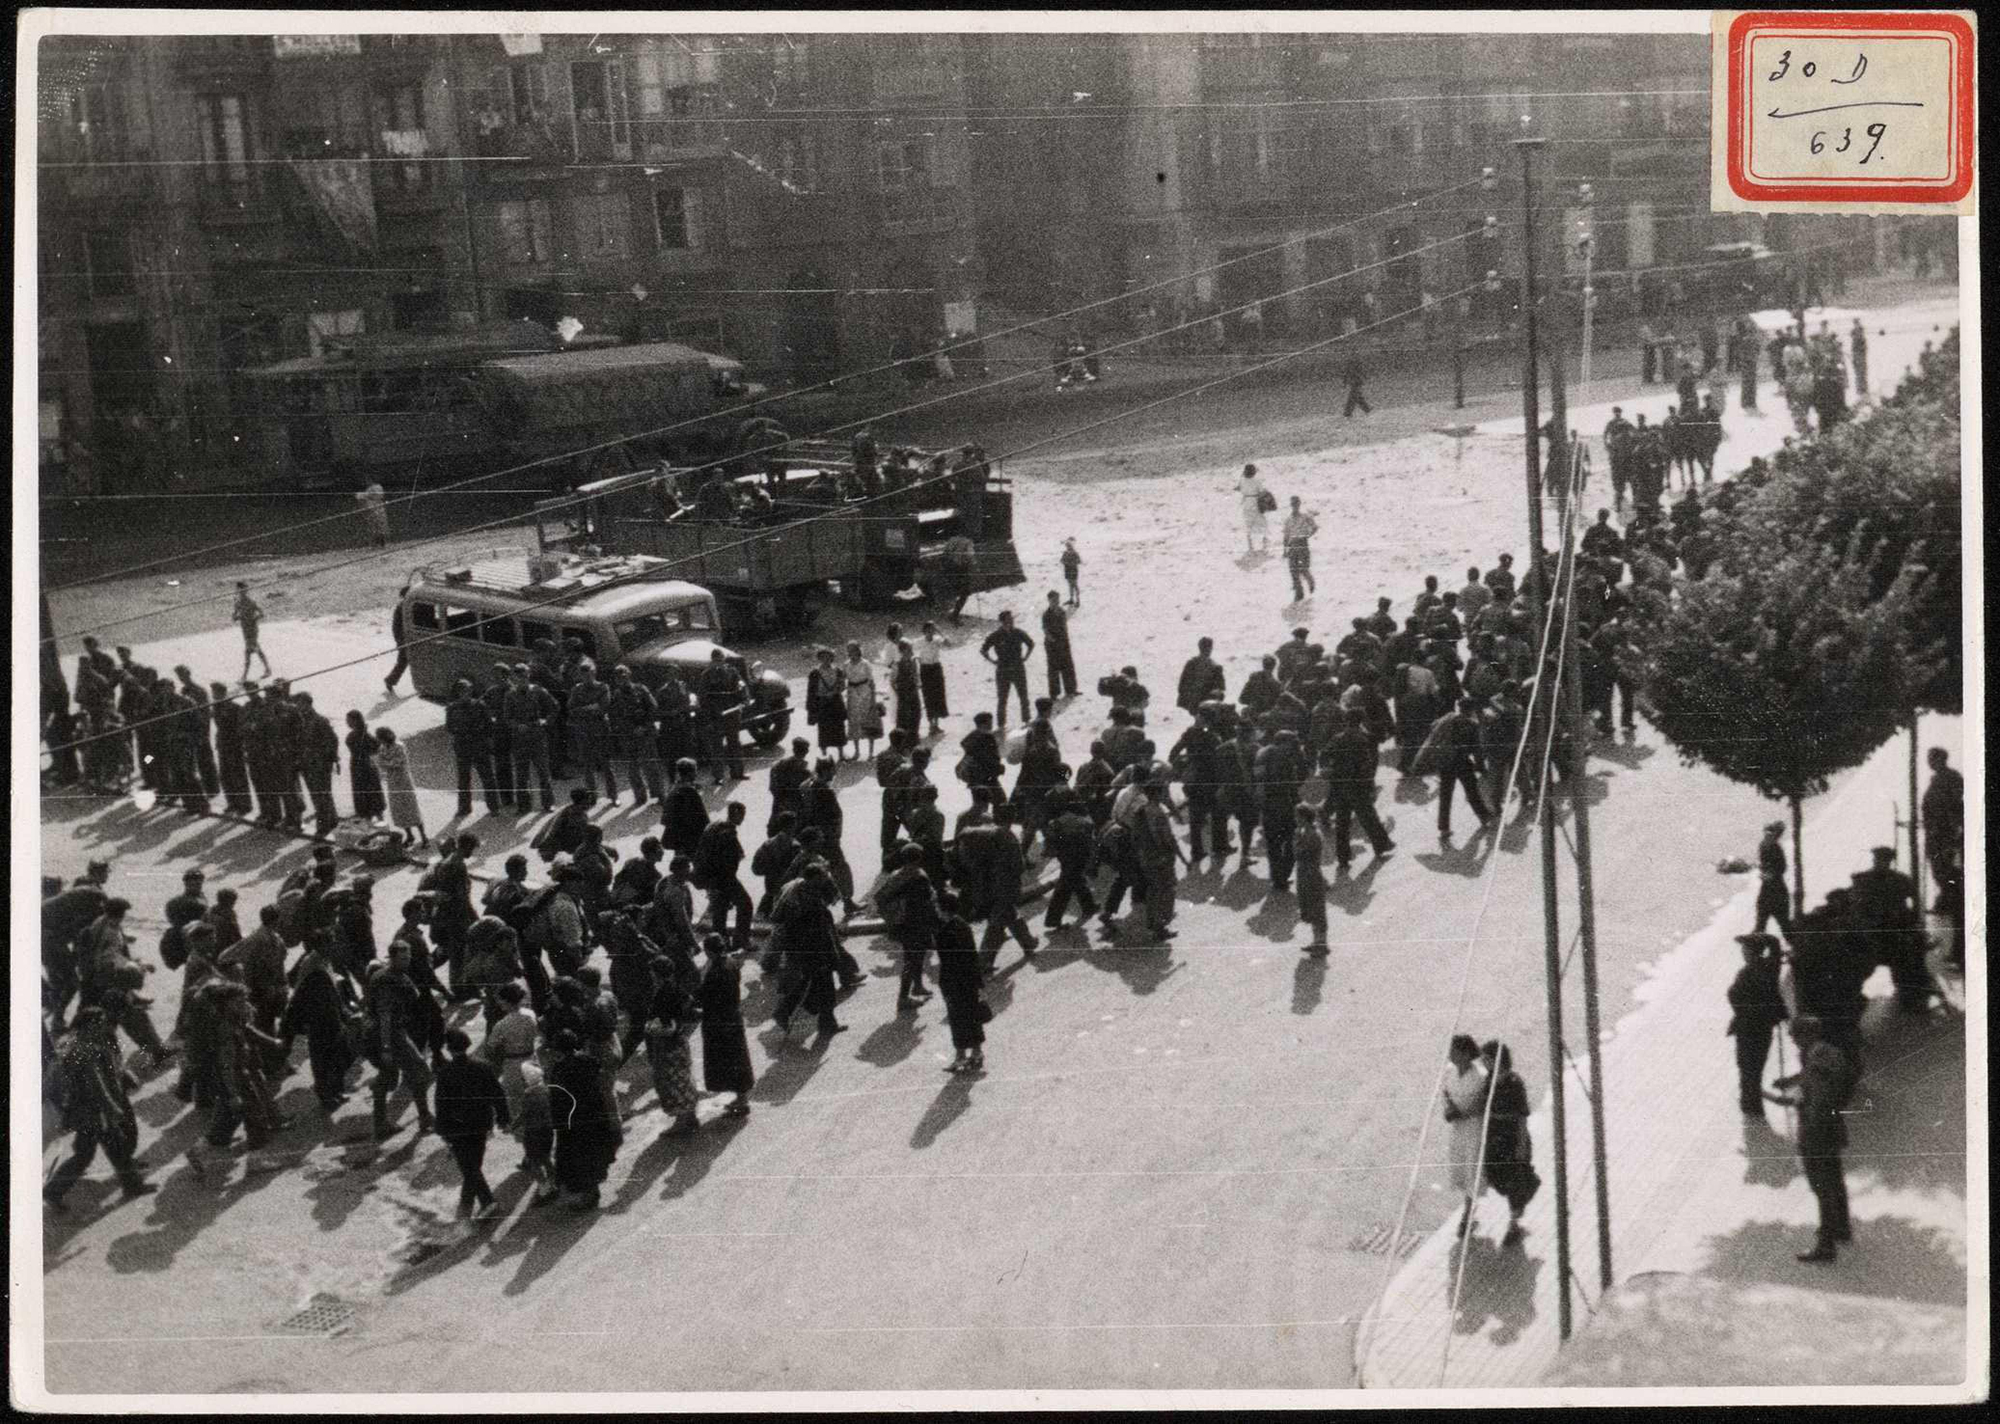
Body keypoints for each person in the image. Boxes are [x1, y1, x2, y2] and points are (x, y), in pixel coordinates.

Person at [43, 1005, 156, 1212]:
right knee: (89, 1153)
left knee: (111, 1148)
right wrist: (113, 1109)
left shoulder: (74, 1043)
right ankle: (53, 1191)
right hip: (95, 1113)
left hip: (84, 1111)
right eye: (100, 1023)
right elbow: (98, 1086)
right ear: (90, 1025)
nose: (104, 1026)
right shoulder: (87, 1051)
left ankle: (133, 1185)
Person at [1764, 1015, 1858, 1262]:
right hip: (1832, 1127)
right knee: (1835, 1181)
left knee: (1821, 1187)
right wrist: (1792, 1081)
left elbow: (1810, 1094)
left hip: (1816, 1131)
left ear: (1805, 1035)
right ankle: (1841, 1227)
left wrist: (1771, 1095)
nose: (1793, 1041)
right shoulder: (1825, 1053)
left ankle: (1826, 1246)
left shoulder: (1813, 1059)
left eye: (1795, 1036)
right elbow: (1812, 1079)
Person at [434, 1027, 510, 1221]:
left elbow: (441, 1105)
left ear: (449, 1049)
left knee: (469, 1166)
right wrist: (503, 1118)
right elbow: (498, 1094)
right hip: (482, 1123)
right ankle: (467, 1198)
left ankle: (487, 1202)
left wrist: (443, 1131)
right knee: (474, 1162)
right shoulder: (483, 1066)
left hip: (457, 1127)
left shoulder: (445, 1073)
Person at [547, 1029, 621, 1212]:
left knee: (578, 1158)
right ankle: (591, 1191)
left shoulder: (560, 1070)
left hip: (573, 1121)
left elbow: (557, 1099)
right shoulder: (589, 1061)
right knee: (593, 1155)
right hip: (594, 1115)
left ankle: (587, 1196)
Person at [1478, 1041, 1540, 1242]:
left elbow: (1522, 1116)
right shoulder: (1488, 1079)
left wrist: (1521, 1145)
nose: (1484, 1062)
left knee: (1514, 1180)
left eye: (1487, 1059)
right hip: (1494, 1137)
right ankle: (1525, 1194)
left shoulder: (1514, 1083)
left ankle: (1513, 1225)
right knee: (1495, 1176)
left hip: (1512, 1137)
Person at [1728, 932, 1788, 1118]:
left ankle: (1751, 1107)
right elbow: (1776, 944)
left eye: (1745, 949)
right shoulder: (1770, 967)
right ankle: (1751, 1103)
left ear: (1752, 952)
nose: (1743, 952)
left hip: (1748, 1027)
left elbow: (1735, 997)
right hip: (1763, 1026)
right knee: (1754, 1066)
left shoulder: (1748, 973)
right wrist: (1762, 938)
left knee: (1747, 1067)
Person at [697, 935, 755, 1117]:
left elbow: (705, 995)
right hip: (732, 1017)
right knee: (737, 1058)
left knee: (728, 1060)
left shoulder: (714, 971)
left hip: (718, 1020)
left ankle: (742, 1101)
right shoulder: (730, 962)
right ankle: (741, 1097)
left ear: (709, 951)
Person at [1441, 1033, 1492, 1235]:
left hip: (1473, 1129)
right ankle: (1468, 1206)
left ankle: (1468, 1214)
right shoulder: (1450, 1073)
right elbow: (1445, 1096)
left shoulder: (1478, 1076)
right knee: (1461, 1167)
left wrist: (1461, 1112)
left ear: (1463, 1054)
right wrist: (1448, 1111)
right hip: (1457, 1129)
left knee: (1472, 1168)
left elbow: (1481, 1105)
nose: (1450, 1055)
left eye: (1454, 1051)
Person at [934, 892, 988, 1074]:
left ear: (943, 909)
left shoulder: (946, 930)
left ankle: (961, 1056)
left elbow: (951, 960)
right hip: (967, 980)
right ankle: (976, 1052)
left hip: (955, 982)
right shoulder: (961, 926)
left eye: (937, 906)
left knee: (958, 1020)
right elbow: (972, 956)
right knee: (971, 1017)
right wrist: (978, 983)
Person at [372, 726, 428, 850]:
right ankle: (409, 835)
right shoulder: (382, 748)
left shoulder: (399, 746)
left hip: (403, 781)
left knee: (411, 808)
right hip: (392, 782)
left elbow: (397, 763)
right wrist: (385, 764)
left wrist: (385, 764)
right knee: (399, 809)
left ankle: (424, 837)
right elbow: (382, 764)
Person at [981, 611, 1036, 729]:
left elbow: (1031, 644)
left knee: (1023, 695)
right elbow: (983, 650)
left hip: (1017, 667)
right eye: (1008, 619)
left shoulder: (1018, 632)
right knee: (1002, 698)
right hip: (1003, 669)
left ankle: (1026, 719)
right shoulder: (996, 635)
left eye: (1011, 619)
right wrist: (992, 661)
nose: (1011, 621)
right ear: (1002, 621)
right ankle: (1001, 724)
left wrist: (1026, 657)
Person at [841, 642, 883, 761]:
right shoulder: (846, 664)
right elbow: (842, 679)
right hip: (852, 694)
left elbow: (872, 682)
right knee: (854, 722)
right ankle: (857, 751)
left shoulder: (865, 664)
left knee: (869, 721)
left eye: (853, 650)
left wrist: (873, 699)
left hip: (865, 693)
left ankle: (870, 753)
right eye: (848, 651)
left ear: (858, 651)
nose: (850, 653)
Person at [1753, 819, 1791, 936]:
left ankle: (1756, 945)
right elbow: (1782, 867)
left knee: (1763, 922)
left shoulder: (1768, 845)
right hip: (1776, 888)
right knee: (1783, 923)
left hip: (1771, 888)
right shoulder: (1772, 845)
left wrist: (1766, 871)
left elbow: (1780, 867)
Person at [1040, 594, 1079, 700]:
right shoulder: (1046, 615)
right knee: (1053, 669)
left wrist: (1065, 640)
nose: (1056, 602)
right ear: (1049, 600)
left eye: (1057, 599)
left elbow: (1064, 626)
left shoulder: (1061, 611)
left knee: (1068, 666)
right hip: (1052, 645)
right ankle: (1054, 693)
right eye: (1053, 600)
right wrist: (1054, 641)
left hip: (1064, 642)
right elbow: (1045, 630)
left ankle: (1071, 689)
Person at [233, 582, 272, 680]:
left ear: (247, 590)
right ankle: (267, 669)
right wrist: (238, 617)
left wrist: (254, 619)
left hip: (252, 629)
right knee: (257, 649)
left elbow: (261, 613)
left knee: (248, 651)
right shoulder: (237, 603)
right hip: (245, 629)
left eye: (244, 590)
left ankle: (244, 675)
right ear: (237, 591)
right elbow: (234, 617)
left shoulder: (251, 602)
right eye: (240, 591)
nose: (242, 593)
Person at [1281, 496, 1318, 603]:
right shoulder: (1288, 519)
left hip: (1302, 543)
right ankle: (1299, 593)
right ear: (1291, 505)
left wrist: (1308, 535)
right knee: (1293, 570)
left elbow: (1315, 527)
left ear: (1299, 504)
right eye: (1293, 504)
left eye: (1296, 504)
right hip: (1292, 545)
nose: (1295, 506)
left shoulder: (1305, 517)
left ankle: (1310, 582)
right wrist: (1285, 550)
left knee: (1303, 568)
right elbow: (1286, 536)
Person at [1238, 464, 1271, 554]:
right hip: (1255, 503)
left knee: (1248, 525)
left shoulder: (1242, 480)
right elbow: (1262, 491)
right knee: (1263, 524)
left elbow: (1239, 488)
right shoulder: (1257, 481)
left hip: (1246, 503)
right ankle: (1264, 546)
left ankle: (1250, 547)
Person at [357, 478, 391, 547]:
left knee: (380, 527)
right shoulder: (370, 490)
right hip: (373, 510)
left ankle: (382, 543)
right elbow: (360, 497)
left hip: (377, 509)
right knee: (374, 527)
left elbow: (361, 496)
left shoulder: (376, 487)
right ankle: (376, 543)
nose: (366, 482)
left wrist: (363, 495)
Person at [1060, 538, 1082, 606]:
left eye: (1069, 546)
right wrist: (1066, 562)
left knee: (1074, 585)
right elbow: (1061, 561)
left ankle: (1078, 601)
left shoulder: (1075, 553)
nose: (1068, 547)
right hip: (1068, 570)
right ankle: (1072, 599)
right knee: (1070, 585)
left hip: (1073, 570)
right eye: (1067, 546)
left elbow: (1079, 561)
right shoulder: (1065, 553)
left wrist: (1070, 563)